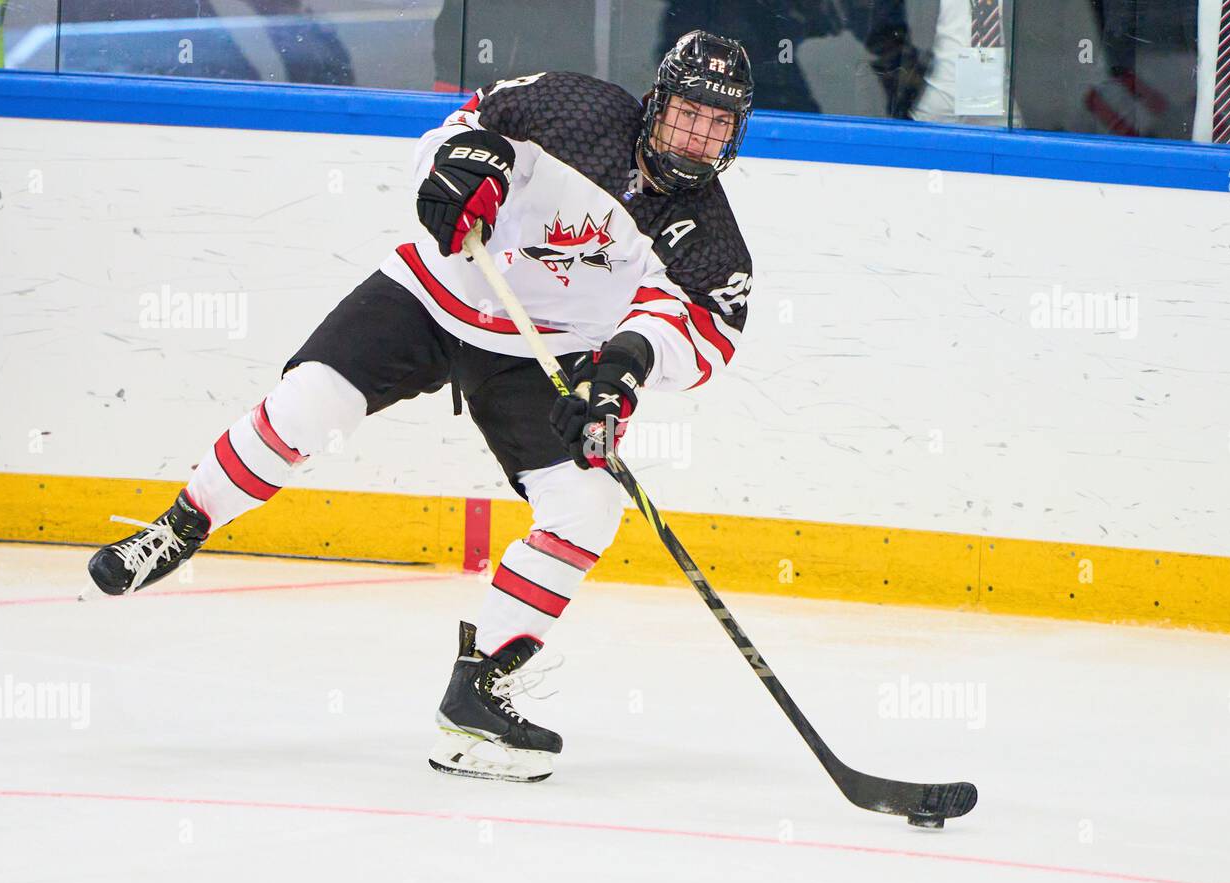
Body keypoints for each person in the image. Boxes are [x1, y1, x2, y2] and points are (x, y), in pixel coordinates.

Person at [84, 30, 755, 784]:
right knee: (311, 405)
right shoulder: (569, 108)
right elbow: (462, 131)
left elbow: (700, 330)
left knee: (587, 505)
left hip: (547, 352)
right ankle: (183, 522)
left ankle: (478, 695)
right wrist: (461, 173)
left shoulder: (711, 237)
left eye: (719, 123)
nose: (699, 135)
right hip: (438, 293)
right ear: (656, 104)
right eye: (689, 113)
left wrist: (621, 371)